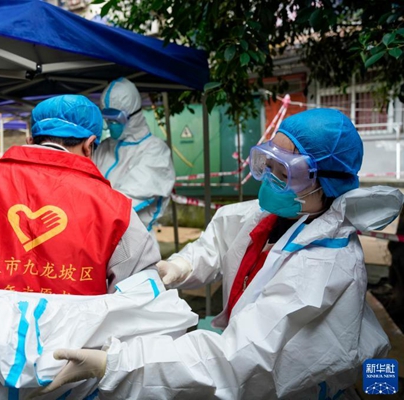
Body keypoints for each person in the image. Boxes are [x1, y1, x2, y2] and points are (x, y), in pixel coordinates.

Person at [39, 109, 404, 399]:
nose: (268, 180)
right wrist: (180, 265)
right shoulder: (275, 214)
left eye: (283, 173)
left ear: (325, 182)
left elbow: (238, 358)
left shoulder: (323, 266)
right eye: (267, 164)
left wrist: (118, 364)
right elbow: (217, 244)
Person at [0, 94, 160, 398]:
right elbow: (139, 309)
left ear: (30, 137)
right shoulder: (116, 208)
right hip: (72, 381)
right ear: (90, 145)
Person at [93, 78, 175, 249]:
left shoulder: (155, 151)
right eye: (107, 119)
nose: (111, 125)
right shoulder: (103, 148)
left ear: (134, 116)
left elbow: (124, 200)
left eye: (116, 120)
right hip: (98, 241)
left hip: (135, 246)